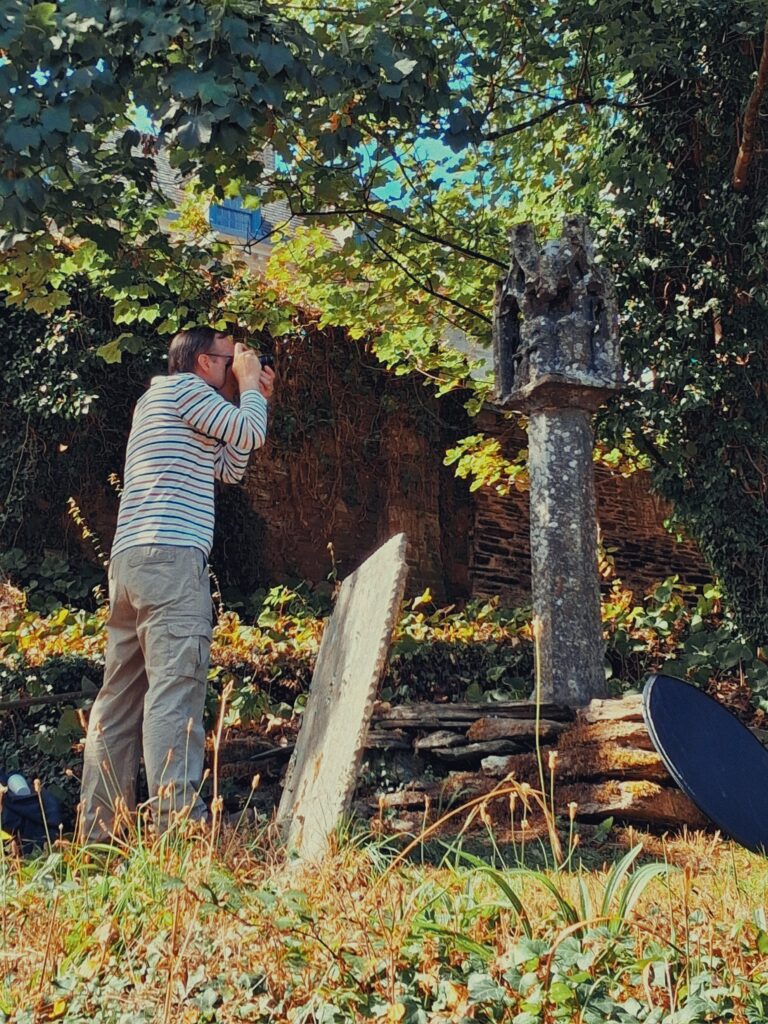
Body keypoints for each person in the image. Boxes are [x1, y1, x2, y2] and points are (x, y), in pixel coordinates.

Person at [79, 327, 275, 842]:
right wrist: (251, 387)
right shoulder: (185, 390)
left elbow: (230, 466)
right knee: (175, 692)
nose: (235, 367)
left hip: (132, 562)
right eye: (229, 361)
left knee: (119, 701)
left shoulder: (158, 402)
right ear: (204, 363)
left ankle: (100, 836)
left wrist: (244, 396)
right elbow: (252, 433)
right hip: (170, 561)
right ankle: (176, 837)